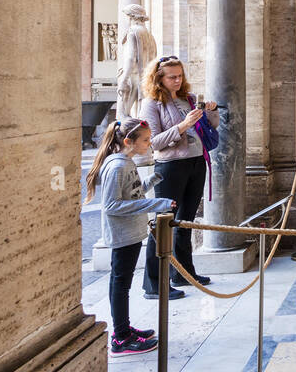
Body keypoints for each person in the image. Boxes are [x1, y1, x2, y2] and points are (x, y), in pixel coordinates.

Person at [84, 119, 174, 356]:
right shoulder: (117, 166)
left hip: (132, 231)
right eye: (145, 140)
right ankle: (121, 336)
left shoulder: (127, 162)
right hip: (122, 234)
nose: (149, 143)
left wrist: (152, 181)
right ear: (128, 141)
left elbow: (132, 193)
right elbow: (113, 205)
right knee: (120, 284)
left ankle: (125, 328)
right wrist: (157, 203)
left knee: (123, 284)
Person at [140, 55, 219, 297]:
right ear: (159, 79)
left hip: (196, 162)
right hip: (170, 167)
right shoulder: (152, 104)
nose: (177, 80)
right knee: (163, 223)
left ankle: (184, 273)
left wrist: (211, 112)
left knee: (185, 221)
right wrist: (182, 126)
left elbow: (209, 127)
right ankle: (153, 283)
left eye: (180, 76)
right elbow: (153, 142)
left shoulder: (189, 99)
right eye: (171, 77)